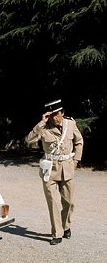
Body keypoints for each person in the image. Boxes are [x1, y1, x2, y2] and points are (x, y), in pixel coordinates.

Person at [25, 99, 84, 245]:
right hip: (49, 169)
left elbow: (79, 141)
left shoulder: (70, 124)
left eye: (56, 114)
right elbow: (29, 140)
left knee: (69, 202)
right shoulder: (43, 128)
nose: (54, 118)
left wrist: (76, 160)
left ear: (62, 113)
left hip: (67, 167)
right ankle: (57, 233)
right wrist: (41, 123)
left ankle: (66, 226)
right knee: (53, 203)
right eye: (51, 115)